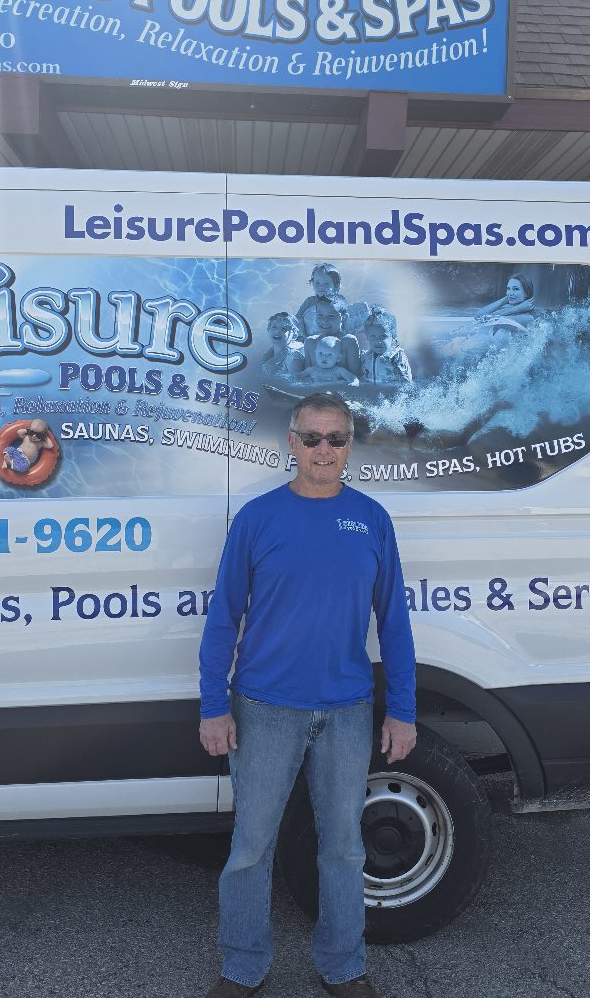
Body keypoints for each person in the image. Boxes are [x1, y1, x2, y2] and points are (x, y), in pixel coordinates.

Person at [199, 393, 417, 998]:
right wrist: (213, 705)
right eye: (313, 438)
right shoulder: (257, 519)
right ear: (291, 443)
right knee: (250, 848)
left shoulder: (371, 519)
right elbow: (224, 618)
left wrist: (402, 709)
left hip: (346, 710)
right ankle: (242, 968)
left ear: (350, 446)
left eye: (337, 439)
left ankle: (343, 967)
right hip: (264, 709)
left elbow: (394, 622)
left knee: (344, 849)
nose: (325, 451)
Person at [303, 297, 362, 377]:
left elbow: (357, 378)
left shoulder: (348, 342)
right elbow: (305, 378)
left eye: (331, 316)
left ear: (344, 317)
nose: (324, 321)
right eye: (320, 315)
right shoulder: (310, 342)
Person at [359, 307, 412, 385]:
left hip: (391, 391)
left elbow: (406, 378)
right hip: (371, 392)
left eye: (383, 336)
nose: (378, 341)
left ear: (393, 336)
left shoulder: (396, 355)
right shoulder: (367, 356)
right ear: (367, 337)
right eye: (373, 337)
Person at [295, 336, 360, 386]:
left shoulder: (338, 371)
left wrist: (354, 383)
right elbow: (297, 377)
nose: (324, 357)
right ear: (315, 354)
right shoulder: (311, 370)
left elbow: (353, 378)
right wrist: (302, 380)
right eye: (320, 353)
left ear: (338, 358)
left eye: (329, 354)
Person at [258, 312, 305, 376]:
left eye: (284, 329)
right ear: (268, 329)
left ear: (294, 335)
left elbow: (296, 382)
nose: (277, 331)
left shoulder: (292, 357)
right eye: (274, 327)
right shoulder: (270, 353)